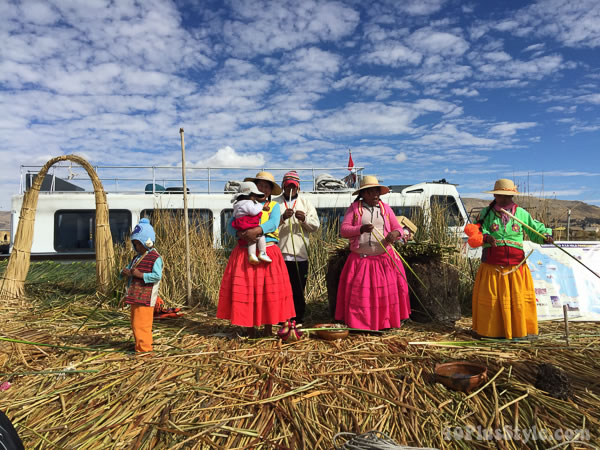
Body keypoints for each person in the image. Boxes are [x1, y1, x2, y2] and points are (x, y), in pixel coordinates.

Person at [472, 179, 553, 340]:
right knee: (493, 300)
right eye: (501, 196)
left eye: (508, 196)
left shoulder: (521, 213)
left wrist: (545, 236)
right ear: (495, 195)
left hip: (515, 267)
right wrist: (486, 237)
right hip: (492, 266)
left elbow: (534, 229)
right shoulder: (486, 213)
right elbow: (475, 232)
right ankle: (491, 332)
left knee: (517, 298)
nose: (505, 199)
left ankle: (519, 330)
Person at [217, 171, 295, 337]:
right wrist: (240, 235)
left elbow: (274, 223)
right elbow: (231, 226)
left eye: (267, 187)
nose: (263, 189)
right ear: (254, 188)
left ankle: (268, 328)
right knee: (248, 290)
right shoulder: (241, 205)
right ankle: (249, 328)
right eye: (260, 185)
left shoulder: (273, 206)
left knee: (268, 291)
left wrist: (257, 231)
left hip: (267, 252)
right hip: (245, 253)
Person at [335, 175, 411, 330]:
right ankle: (361, 324)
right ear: (363, 194)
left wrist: (395, 235)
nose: (375, 194)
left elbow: (398, 228)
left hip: (384, 260)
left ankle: (385, 323)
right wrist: (360, 229)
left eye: (377, 191)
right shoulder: (355, 209)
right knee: (362, 298)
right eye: (371, 191)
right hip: (361, 261)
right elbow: (344, 230)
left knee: (385, 296)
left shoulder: (385, 209)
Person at [275, 170, 320, 324]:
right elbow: (268, 227)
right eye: (288, 187)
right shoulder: (276, 203)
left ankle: (297, 317)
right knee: (281, 288)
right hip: (280, 253)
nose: (291, 190)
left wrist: (305, 219)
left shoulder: (305, 203)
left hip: (300, 254)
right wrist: (282, 218)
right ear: (283, 187)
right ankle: (281, 317)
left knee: (298, 288)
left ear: (298, 187)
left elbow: (315, 226)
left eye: (294, 187)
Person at [121, 218, 163, 352]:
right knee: (134, 323)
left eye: (139, 244)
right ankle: (139, 346)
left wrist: (141, 275)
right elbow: (128, 270)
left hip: (145, 297)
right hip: (135, 296)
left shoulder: (155, 258)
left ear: (147, 241)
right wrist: (125, 272)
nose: (137, 247)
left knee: (142, 324)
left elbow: (157, 276)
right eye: (135, 244)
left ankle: (144, 351)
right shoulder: (136, 258)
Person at [231, 181, 273, 265]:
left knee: (251, 240)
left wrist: (239, 232)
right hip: (248, 223)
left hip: (241, 225)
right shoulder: (249, 203)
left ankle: (252, 255)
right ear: (250, 195)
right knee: (260, 236)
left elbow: (233, 217)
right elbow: (253, 211)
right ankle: (262, 252)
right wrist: (261, 206)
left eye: (266, 187)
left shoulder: (237, 204)